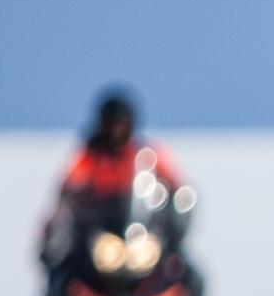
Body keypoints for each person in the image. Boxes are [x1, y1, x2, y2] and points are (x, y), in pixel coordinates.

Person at [36, 88, 187, 269]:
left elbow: (173, 184)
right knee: (64, 273)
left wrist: (175, 214)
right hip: (98, 236)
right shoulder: (89, 157)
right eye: (112, 125)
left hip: (139, 234)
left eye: (122, 125)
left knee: (185, 273)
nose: (117, 131)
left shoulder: (146, 155)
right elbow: (69, 190)